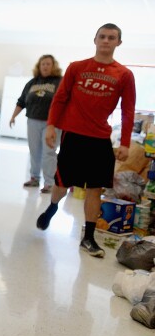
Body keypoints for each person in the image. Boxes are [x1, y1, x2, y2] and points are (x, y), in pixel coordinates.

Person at [36, 23, 136, 258]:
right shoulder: (77, 68)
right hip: (73, 135)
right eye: (102, 36)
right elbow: (60, 99)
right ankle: (52, 207)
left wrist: (125, 143)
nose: (106, 41)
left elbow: (128, 110)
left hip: (100, 138)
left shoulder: (124, 74)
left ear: (118, 43)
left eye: (111, 38)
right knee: (62, 184)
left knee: (95, 189)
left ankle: (88, 238)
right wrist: (51, 126)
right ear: (95, 39)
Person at [9, 55, 63, 193]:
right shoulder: (32, 83)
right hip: (32, 121)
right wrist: (13, 116)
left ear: (53, 66)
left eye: (48, 64)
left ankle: (50, 183)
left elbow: (65, 103)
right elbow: (21, 101)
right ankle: (34, 178)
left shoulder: (60, 82)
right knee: (34, 152)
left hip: (52, 124)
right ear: (39, 66)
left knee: (48, 152)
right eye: (42, 64)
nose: (45, 66)